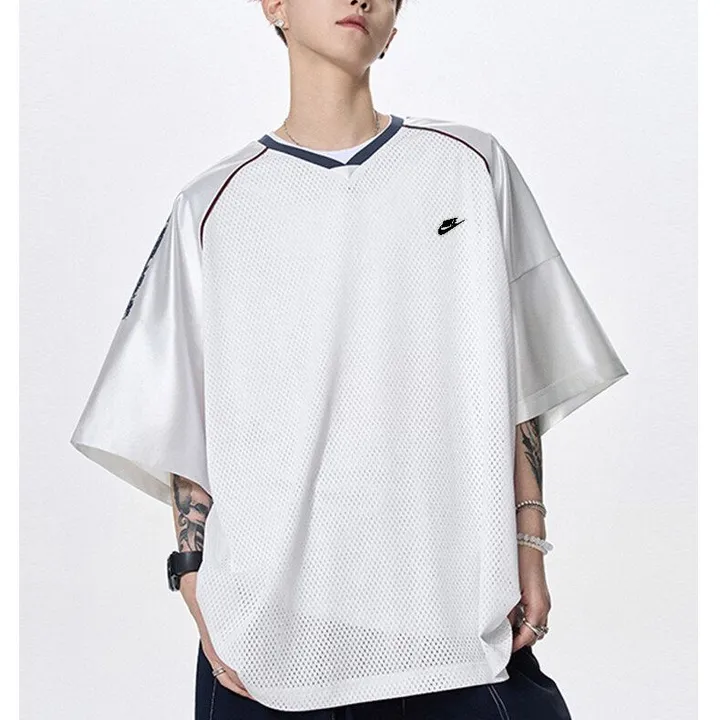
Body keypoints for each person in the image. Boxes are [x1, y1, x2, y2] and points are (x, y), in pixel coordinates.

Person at [69, 1, 629, 718]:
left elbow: (519, 374)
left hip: (457, 624)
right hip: (270, 645)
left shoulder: (470, 165)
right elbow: (178, 412)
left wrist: (529, 540)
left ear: (395, 26)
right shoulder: (211, 205)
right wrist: (194, 577)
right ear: (274, 5)